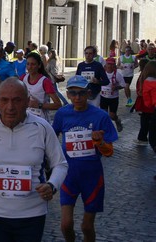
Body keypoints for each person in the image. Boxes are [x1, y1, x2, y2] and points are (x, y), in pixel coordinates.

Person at [0, 78, 68, 242]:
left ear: (27, 102)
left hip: (32, 215)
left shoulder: (42, 127)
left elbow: (60, 164)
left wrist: (52, 185)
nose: (10, 107)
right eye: (4, 100)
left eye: (17, 101)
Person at [52, 75, 118, 242]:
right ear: (67, 94)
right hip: (69, 175)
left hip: (92, 176)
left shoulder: (100, 116)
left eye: (81, 93)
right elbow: (52, 140)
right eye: (73, 93)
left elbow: (109, 152)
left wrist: (99, 141)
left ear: (88, 93)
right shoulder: (62, 114)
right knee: (66, 225)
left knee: (87, 227)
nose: (77, 97)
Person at [22, 52, 63, 121]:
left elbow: (58, 105)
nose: (29, 67)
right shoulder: (23, 78)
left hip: (40, 120)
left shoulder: (45, 81)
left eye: (33, 64)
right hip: (25, 118)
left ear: (39, 65)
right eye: (28, 64)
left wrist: (39, 105)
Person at [100, 57, 125, 132]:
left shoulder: (118, 74)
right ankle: (105, 130)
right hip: (103, 97)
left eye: (111, 64)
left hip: (113, 98)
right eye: (108, 64)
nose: (109, 66)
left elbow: (123, 85)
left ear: (114, 65)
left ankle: (117, 120)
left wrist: (116, 87)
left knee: (112, 115)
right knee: (103, 115)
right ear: (106, 64)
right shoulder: (102, 73)